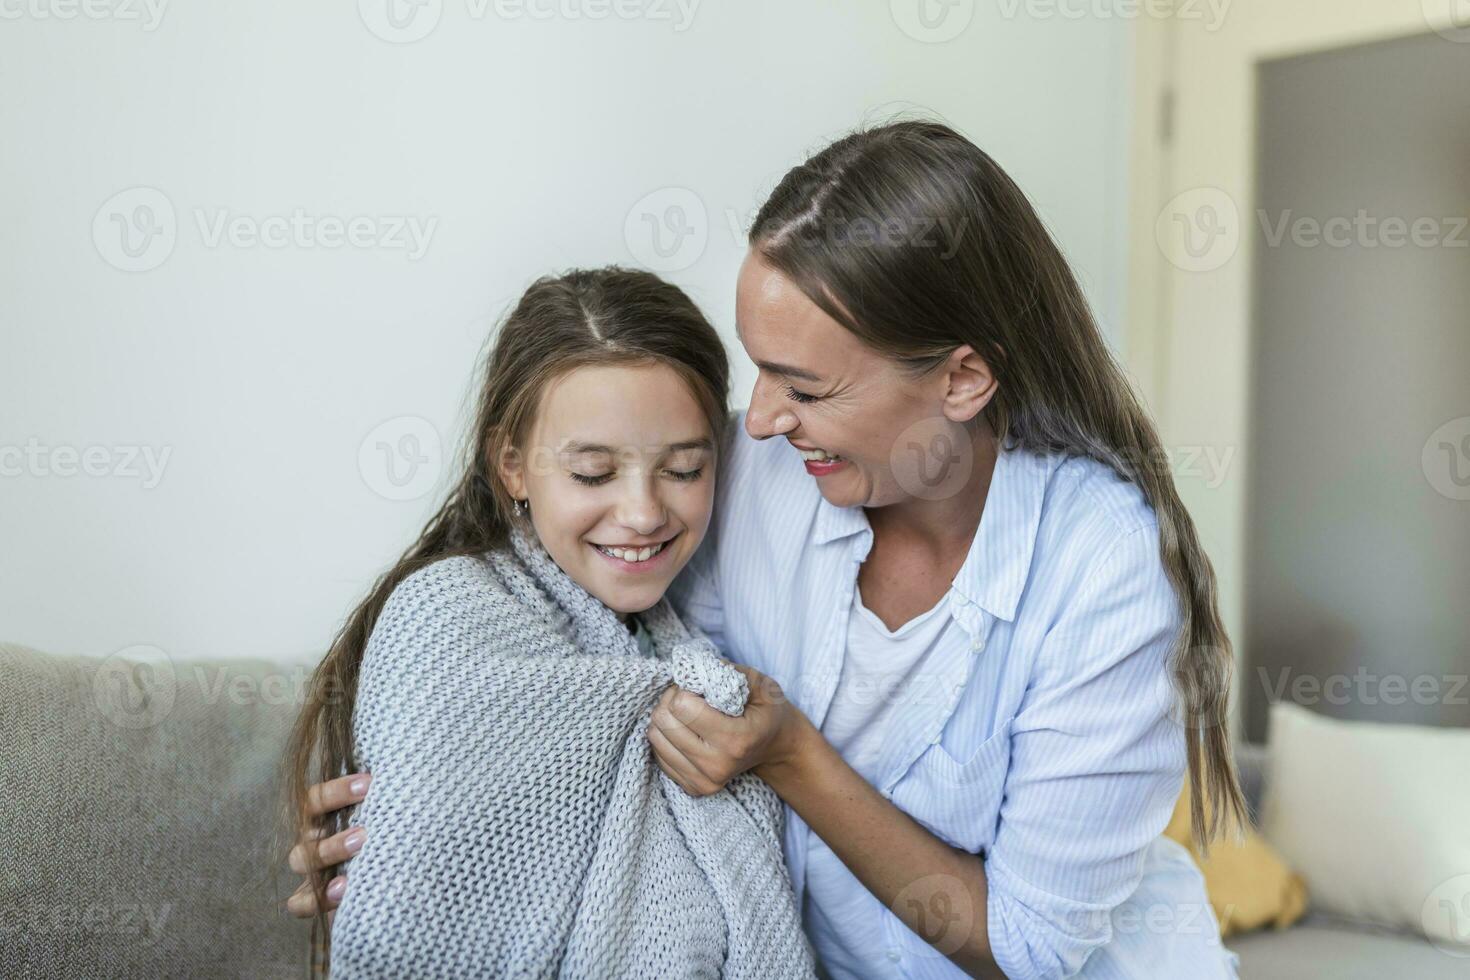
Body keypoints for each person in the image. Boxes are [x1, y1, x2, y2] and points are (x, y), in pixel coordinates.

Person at [291, 120, 1245, 979]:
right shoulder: (754, 476)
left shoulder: (1102, 569)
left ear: (962, 379)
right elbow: (599, 666)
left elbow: (1030, 949)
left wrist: (793, 756)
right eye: (757, 368)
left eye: (807, 386)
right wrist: (431, 833)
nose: (763, 419)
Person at [283, 266, 813, 977]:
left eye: (684, 470)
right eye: (593, 473)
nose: (643, 512)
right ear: (511, 466)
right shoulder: (446, 615)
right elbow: (405, 926)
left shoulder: (689, 628)